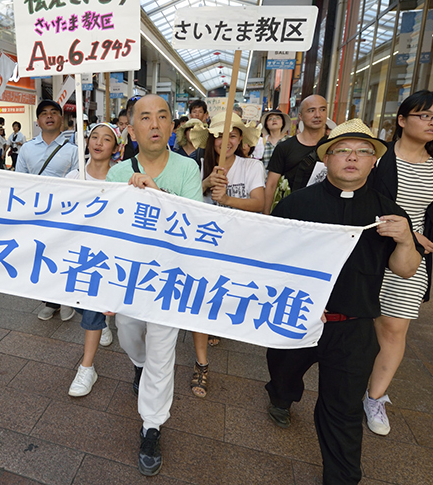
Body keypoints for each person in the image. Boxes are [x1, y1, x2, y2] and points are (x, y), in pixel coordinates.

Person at [267, 119, 423, 485]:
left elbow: (406, 270)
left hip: (353, 326)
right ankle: (281, 396)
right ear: (327, 159)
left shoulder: (390, 213)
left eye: (363, 152)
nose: (352, 158)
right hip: (299, 318)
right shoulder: (296, 205)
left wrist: (406, 241)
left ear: (373, 161)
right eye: (342, 151)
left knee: (343, 411)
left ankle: (342, 478)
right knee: (283, 373)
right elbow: (271, 261)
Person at [364, 90, 433, 436]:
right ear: (401, 120)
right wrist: (407, 229)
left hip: (413, 259)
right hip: (369, 252)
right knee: (358, 324)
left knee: (394, 329)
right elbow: (361, 204)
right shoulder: (377, 158)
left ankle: (374, 397)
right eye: (425, 115)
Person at [106, 94, 203, 477]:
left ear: (171, 125)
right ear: (131, 128)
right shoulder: (117, 174)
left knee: (163, 353)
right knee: (129, 334)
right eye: (145, 117)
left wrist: (157, 196)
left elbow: (195, 223)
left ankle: (151, 425)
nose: (155, 123)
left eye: (163, 116)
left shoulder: (187, 168)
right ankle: (138, 365)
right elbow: (109, 232)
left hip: (171, 278)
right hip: (130, 277)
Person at [186, 111, 265, 397]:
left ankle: (214, 325)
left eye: (232, 135)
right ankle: (201, 364)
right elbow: (185, 204)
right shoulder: (195, 166)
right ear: (211, 140)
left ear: (240, 139)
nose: (226, 141)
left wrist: (228, 199)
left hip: (238, 246)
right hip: (205, 244)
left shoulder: (251, 167)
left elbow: (260, 204)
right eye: (219, 136)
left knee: (221, 296)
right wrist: (204, 185)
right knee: (199, 299)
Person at [64, 122, 125, 397]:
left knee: (91, 308)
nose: (98, 143)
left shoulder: (121, 180)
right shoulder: (73, 177)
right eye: (94, 137)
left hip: (105, 257)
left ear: (116, 147)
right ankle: (102, 322)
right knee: (79, 303)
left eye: (107, 139)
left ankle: (87, 367)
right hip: (75, 254)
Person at [17, 99, 79, 322]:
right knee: (40, 255)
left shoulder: (73, 150)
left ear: (61, 119)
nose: (49, 116)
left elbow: (77, 184)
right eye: (44, 113)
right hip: (35, 212)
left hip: (63, 212)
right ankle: (49, 301)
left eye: (54, 112)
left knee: (63, 255)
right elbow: (20, 182)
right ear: (38, 120)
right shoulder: (26, 148)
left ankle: (65, 299)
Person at [263, 95, 329, 214]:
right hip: (292, 212)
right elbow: (271, 184)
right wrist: (267, 217)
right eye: (311, 110)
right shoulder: (285, 147)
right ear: (300, 116)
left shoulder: (334, 146)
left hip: (326, 213)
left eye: (322, 109)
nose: (317, 115)